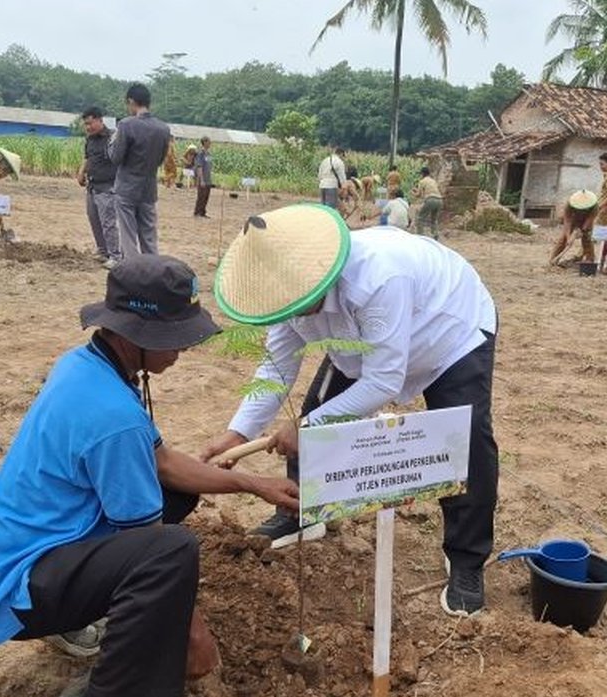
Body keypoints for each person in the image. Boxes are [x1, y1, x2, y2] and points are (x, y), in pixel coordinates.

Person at [0, 256, 299, 697]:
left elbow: (162, 462)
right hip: (14, 586)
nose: (180, 350)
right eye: (171, 339)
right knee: (171, 551)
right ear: (130, 334)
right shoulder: (112, 419)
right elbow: (152, 547)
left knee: (176, 495)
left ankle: (86, 617)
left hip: (22, 554)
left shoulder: (88, 366)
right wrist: (193, 638)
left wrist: (252, 483)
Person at [201, 204, 499, 617]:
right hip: (362, 348)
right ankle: (304, 512)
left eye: (298, 305)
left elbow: (383, 382)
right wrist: (239, 432)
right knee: (319, 406)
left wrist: (307, 427)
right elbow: (277, 365)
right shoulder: (282, 292)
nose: (290, 314)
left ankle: (466, 560)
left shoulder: (378, 277)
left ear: (318, 277)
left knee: (464, 442)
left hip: (448, 335)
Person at [108, 83, 172, 257]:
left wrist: (111, 142)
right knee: (149, 237)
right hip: (149, 189)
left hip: (127, 189)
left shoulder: (126, 125)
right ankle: (152, 272)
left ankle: (134, 272)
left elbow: (115, 158)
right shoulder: (163, 129)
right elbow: (160, 159)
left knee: (128, 236)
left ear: (131, 101)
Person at [78, 107, 122, 269]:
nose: (88, 127)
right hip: (92, 186)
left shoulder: (113, 138)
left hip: (108, 187)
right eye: (86, 124)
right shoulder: (90, 139)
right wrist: (81, 172)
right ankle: (103, 251)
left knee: (108, 223)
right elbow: (87, 158)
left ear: (99, 120)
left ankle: (115, 256)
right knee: (94, 219)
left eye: (90, 123)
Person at [549, 190, 599, 266]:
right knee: (563, 239)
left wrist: (582, 230)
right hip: (573, 219)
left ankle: (590, 260)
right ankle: (553, 259)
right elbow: (567, 221)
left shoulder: (595, 206)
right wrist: (569, 237)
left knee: (587, 239)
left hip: (586, 221)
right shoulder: (569, 205)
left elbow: (590, 219)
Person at [412, 166, 443, 240]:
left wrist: (413, 192)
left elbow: (419, 195)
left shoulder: (422, 181)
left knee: (420, 218)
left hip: (430, 200)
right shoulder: (433, 181)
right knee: (434, 219)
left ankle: (420, 235)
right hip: (439, 200)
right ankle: (435, 234)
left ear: (422, 174)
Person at [192, 136, 213, 219]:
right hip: (202, 178)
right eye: (209, 141)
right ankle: (197, 212)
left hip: (208, 178)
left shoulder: (209, 154)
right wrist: (202, 180)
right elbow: (199, 167)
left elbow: (209, 166)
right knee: (201, 196)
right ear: (204, 142)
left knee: (206, 196)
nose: (210, 143)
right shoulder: (201, 153)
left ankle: (203, 212)